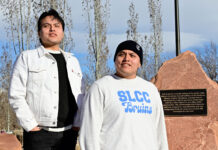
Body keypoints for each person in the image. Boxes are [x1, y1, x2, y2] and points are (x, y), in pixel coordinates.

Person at [8, 9, 84, 150]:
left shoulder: (73, 61)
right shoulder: (27, 57)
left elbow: (81, 95)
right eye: (46, 26)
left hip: (69, 134)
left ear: (62, 32)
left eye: (56, 25)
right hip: (39, 135)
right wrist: (31, 126)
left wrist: (77, 123)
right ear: (39, 32)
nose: (52, 29)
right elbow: (15, 95)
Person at [79, 40, 168, 150]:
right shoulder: (100, 87)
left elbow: (159, 131)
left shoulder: (150, 90)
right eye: (121, 54)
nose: (126, 59)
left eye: (132, 55)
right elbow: (89, 133)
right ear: (115, 60)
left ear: (140, 63)